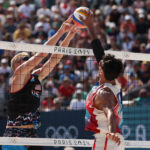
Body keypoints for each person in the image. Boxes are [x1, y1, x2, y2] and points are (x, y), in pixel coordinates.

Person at [2, 16, 77, 150]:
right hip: (15, 136)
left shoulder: (36, 77)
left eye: (27, 58)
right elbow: (41, 54)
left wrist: (70, 35)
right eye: (25, 58)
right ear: (17, 64)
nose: (28, 59)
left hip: (32, 135)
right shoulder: (18, 75)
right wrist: (61, 30)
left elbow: (55, 58)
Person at [80, 11, 124, 150]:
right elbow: (99, 51)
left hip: (106, 141)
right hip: (105, 140)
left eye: (100, 65)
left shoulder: (104, 93)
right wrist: (90, 26)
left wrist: (112, 132)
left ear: (102, 71)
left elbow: (110, 112)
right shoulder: (112, 81)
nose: (99, 63)